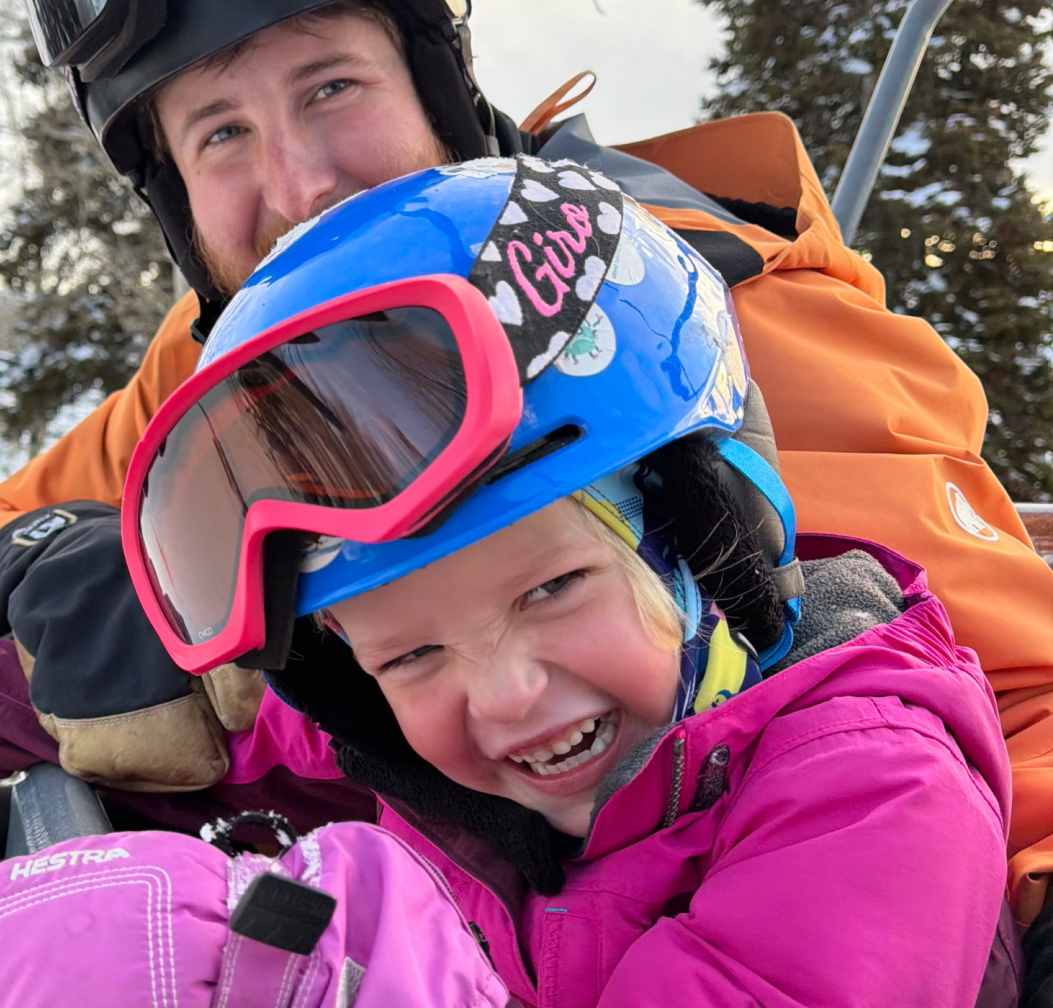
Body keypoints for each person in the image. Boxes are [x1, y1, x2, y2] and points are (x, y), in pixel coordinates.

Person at [0, 0, 1053, 934]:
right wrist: (100, 592)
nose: (303, 183)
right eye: (221, 133)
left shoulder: (677, 317)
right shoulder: (228, 370)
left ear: (435, 88)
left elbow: (1019, 702)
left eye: (330, 88)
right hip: (416, 896)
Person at [117, 156, 1018, 1005]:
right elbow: (242, 732)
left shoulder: (868, 795)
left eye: (550, 590)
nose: (505, 696)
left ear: (700, 537)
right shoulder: (419, 740)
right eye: (414, 654)